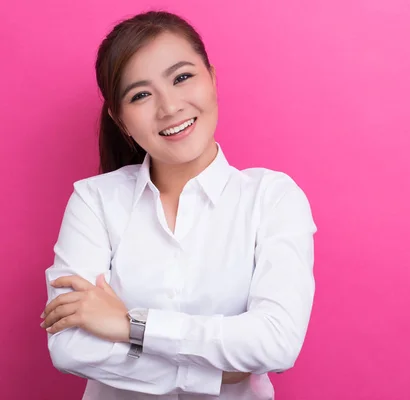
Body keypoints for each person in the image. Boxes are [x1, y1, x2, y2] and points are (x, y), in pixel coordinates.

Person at [40, 10, 317, 400]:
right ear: (121, 121)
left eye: (182, 77)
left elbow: (276, 341)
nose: (169, 107)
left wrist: (130, 326)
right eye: (141, 95)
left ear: (212, 78)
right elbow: (70, 348)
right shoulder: (94, 201)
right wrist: (215, 376)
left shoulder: (273, 198)